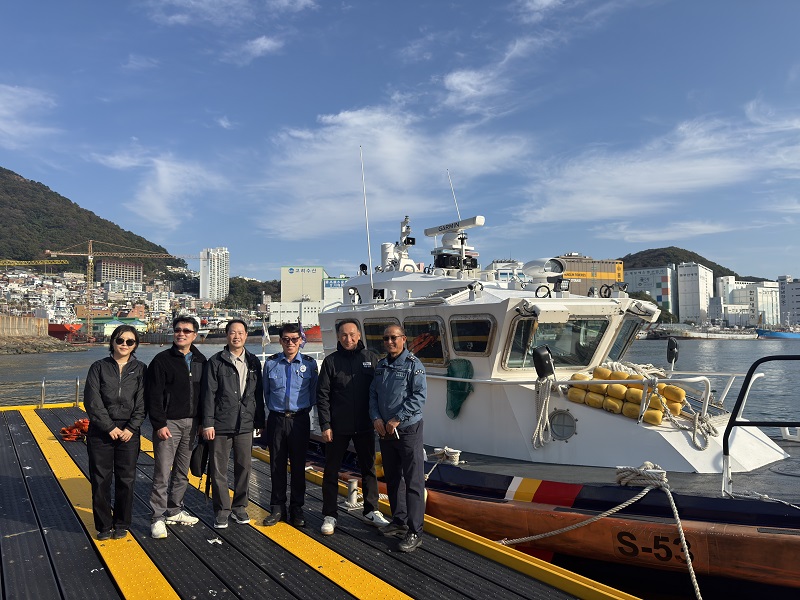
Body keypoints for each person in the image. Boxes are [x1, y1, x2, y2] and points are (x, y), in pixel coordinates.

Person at [317, 319, 389, 535]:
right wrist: (325, 424)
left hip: (365, 425)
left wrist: (380, 419)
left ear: (358, 335)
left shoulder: (370, 359)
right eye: (344, 335)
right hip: (338, 427)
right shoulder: (330, 362)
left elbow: (380, 391)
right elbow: (322, 395)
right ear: (338, 337)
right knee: (331, 470)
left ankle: (371, 510)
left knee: (369, 469)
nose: (348, 339)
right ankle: (330, 514)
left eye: (352, 334)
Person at [84, 325, 146, 541]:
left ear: (135, 345)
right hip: (101, 431)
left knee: (126, 479)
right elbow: (92, 400)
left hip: (129, 431)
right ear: (112, 342)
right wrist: (109, 427)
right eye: (120, 340)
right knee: (100, 479)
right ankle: (103, 525)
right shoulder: (98, 367)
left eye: (130, 341)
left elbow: (142, 402)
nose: (124, 345)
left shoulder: (141, 369)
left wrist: (131, 428)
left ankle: (121, 523)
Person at [146, 316, 206, 539]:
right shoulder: (161, 360)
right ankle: (157, 517)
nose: (181, 334)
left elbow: (204, 394)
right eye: (178, 330)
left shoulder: (200, 360)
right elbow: (153, 394)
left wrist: (202, 422)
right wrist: (159, 423)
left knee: (182, 471)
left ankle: (175, 510)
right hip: (169, 423)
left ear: (195, 335)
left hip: (192, 423)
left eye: (186, 331)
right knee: (162, 471)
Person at [201, 319, 265, 529]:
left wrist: (259, 420)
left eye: (240, 332)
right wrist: (208, 423)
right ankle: (222, 510)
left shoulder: (253, 362)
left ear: (246, 335)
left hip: (245, 423)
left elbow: (257, 394)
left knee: (244, 467)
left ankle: (239, 507)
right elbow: (208, 395)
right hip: (220, 424)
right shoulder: (215, 361)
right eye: (232, 332)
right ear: (227, 335)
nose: (236, 336)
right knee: (218, 469)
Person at [369, 324, 427, 553]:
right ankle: (399, 520)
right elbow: (373, 394)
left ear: (404, 339)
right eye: (386, 338)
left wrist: (397, 418)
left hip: (407, 430)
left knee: (413, 481)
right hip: (386, 431)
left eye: (394, 338)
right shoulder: (382, 366)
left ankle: (415, 531)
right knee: (393, 477)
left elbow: (419, 396)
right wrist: (376, 417)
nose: (390, 342)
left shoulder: (414, 365)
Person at [262, 323, 319, 527]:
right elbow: (266, 392)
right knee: (276, 464)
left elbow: (313, 394)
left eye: (295, 339)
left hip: (299, 420)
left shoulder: (310, 364)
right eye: (286, 339)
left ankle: (297, 507)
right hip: (277, 419)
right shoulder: (271, 364)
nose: (290, 343)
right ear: (280, 341)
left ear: (300, 340)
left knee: (298, 465)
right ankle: (277, 507)